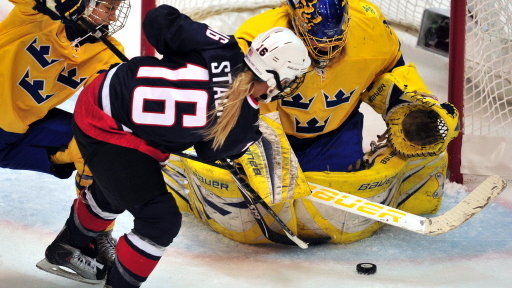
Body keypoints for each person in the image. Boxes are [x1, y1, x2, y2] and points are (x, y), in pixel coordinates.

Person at [36, 4, 310, 287]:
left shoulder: (223, 47)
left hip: (104, 99)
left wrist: (183, 50)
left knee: (120, 187)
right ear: (279, 77)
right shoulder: (242, 126)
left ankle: (68, 247)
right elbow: (209, 152)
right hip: (108, 128)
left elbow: (158, 20)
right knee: (160, 221)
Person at [165, 0, 460, 245]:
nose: (327, 48)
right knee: (251, 192)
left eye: (335, 37)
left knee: (337, 207)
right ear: (295, 18)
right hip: (269, 131)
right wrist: (255, 151)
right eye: (317, 39)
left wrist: (407, 107)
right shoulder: (261, 35)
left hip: (334, 134)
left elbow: (387, 74)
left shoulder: (369, 28)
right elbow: (239, 105)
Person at [1, 0, 130, 268]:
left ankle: (84, 238)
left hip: (19, 135)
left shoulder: (107, 52)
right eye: (108, 6)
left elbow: (116, 100)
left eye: (116, 8)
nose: (113, 15)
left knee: (102, 145)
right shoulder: (33, 13)